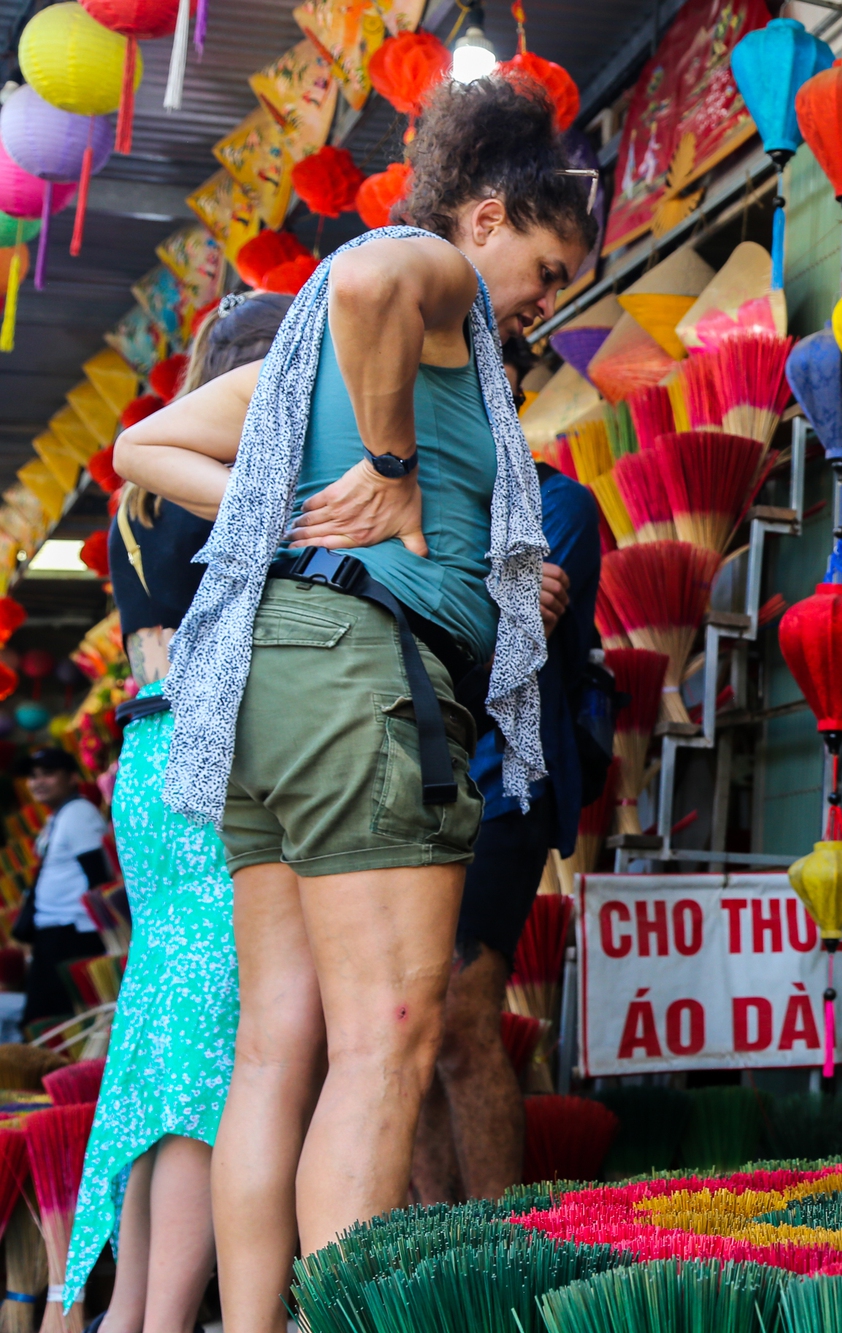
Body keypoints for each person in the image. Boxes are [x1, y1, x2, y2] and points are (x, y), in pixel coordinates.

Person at [113, 76, 593, 1332]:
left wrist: (287, 516)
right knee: (387, 1034)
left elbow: (144, 447)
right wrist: (382, 476)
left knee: (282, 1049)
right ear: (486, 219)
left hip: (263, 689)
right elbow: (376, 273)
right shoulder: (423, 271)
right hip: (354, 680)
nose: (549, 304)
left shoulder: (304, 352)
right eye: (546, 269)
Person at [68, 294, 291, 1333]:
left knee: (159, 1059)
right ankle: (157, 1323)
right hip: (211, 765)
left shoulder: (140, 499)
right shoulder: (234, 474)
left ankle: (125, 1319)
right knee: (206, 1076)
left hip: (145, 764)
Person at [411, 457, 601, 1202]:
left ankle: (493, 1247)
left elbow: (496, 651)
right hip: (403, 778)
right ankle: (432, 1243)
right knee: (407, 1030)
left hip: (502, 781)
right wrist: (492, 592)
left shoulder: (560, 505)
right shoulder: (392, 482)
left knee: (459, 1024)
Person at [18, 747, 108, 1027]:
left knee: (52, 1022)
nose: (38, 782)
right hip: (55, 934)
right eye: (33, 776)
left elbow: (98, 877)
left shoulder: (79, 813)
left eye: (48, 774)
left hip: (73, 933)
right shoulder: (60, 815)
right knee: (44, 1021)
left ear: (71, 777)